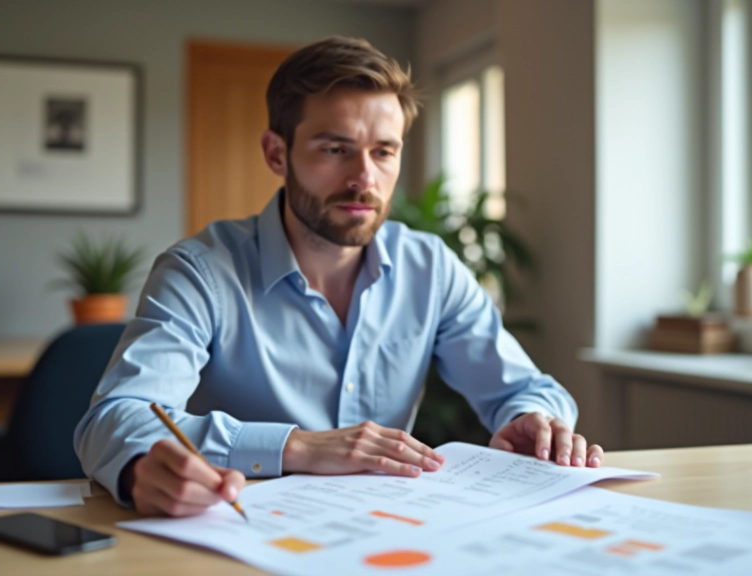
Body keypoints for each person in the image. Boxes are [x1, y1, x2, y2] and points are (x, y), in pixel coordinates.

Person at [74, 36, 603, 518]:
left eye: (384, 152)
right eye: (336, 149)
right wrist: (295, 446)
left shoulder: (431, 268)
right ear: (277, 154)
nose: (363, 179)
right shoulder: (200, 271)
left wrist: (535, 419)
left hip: (383, 534)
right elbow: (115, 420)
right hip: (238, 530)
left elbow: (524, 388)